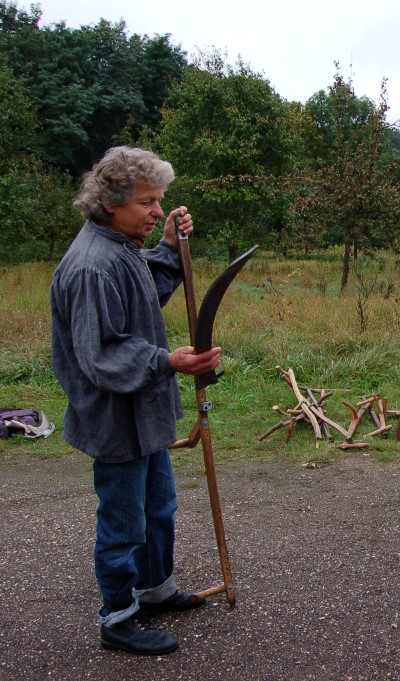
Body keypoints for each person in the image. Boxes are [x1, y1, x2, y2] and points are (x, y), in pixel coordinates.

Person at [50, 147, 222, 655]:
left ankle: (154, 590)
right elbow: (100, 353)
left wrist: (168, 245)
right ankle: (119, 619)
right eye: (148, 202)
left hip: (142, 413)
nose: (155, 210)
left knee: (159, 507)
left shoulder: (120, 247)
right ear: (111, 201)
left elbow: (146, 288)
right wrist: (167, 362)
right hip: (114, 417)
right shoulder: (92, 267)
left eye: (159, 200)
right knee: (123, 522)